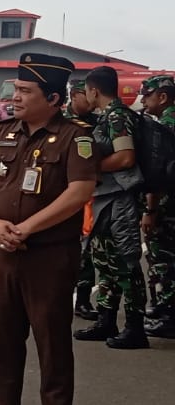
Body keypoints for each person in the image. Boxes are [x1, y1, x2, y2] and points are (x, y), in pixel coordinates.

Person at [0, 53, 96, 405]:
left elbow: (80, 191)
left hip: (49, 255)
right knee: (2, 338)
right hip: (3, 250)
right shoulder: (1, 132)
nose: (15, 97)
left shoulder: (77, 137)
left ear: (54, 97)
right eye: (15, 90)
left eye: (25, 91)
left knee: (52, 341)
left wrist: (26, 228)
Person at [75, 66, 148, 349]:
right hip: (106, 198)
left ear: (94, 90)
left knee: (126, 261)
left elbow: (126, 157)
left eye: (87, 91)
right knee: (104, 260)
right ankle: (106, 319)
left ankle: (134, 326)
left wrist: (91, 169)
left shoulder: (117, 116)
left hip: (121, 199)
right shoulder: (107, 116)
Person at [140, 75, 175, 338]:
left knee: (163, 257)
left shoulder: (165, 127)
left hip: (168, 206)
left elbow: (158, 172)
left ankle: (168, 315)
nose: (143, 100)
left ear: (162, 97)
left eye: (147, 94)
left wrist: (150, 210)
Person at [65, 79, 100, 319]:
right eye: (88, 95)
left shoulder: (97, 121)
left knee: (88, 249)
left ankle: (84, 298)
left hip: (94, 194)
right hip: (66, 194)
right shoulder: (62, 123)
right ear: (76, 95)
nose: (93, 100)